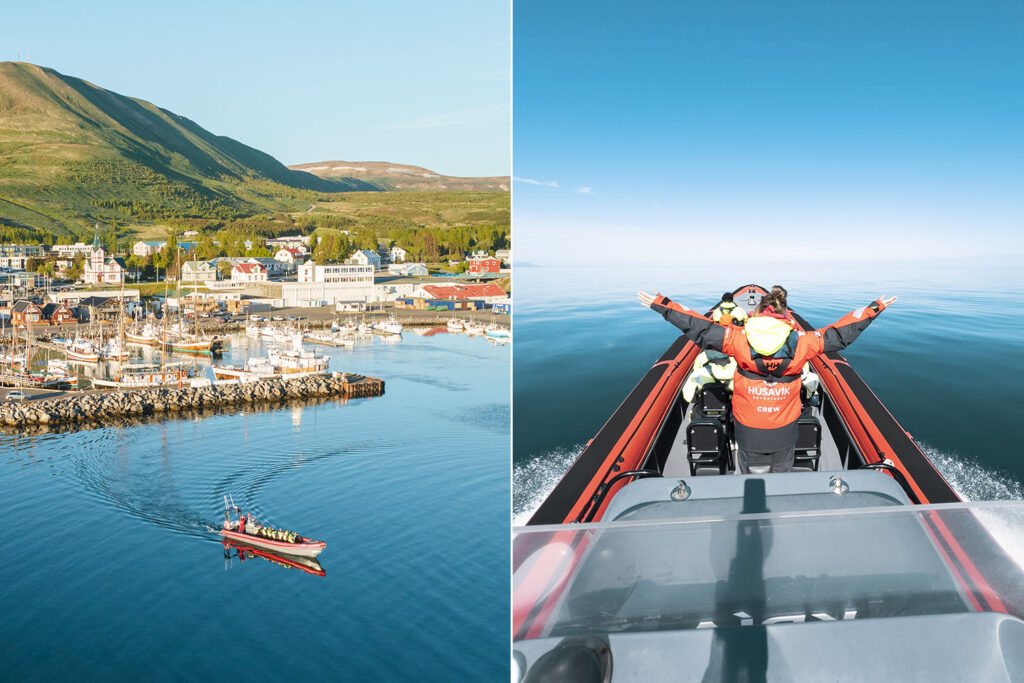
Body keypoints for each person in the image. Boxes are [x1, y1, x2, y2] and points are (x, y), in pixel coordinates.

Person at [638, 289, 897, 473]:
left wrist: (662, 303)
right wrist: (875, 307)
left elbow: (699, 327)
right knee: (782, 469)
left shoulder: (736, 338)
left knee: (751, 472)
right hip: (785, 427)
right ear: (784, 316)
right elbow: (840, 334)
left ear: (758, 314)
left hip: (748, 427)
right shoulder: (804, 341)